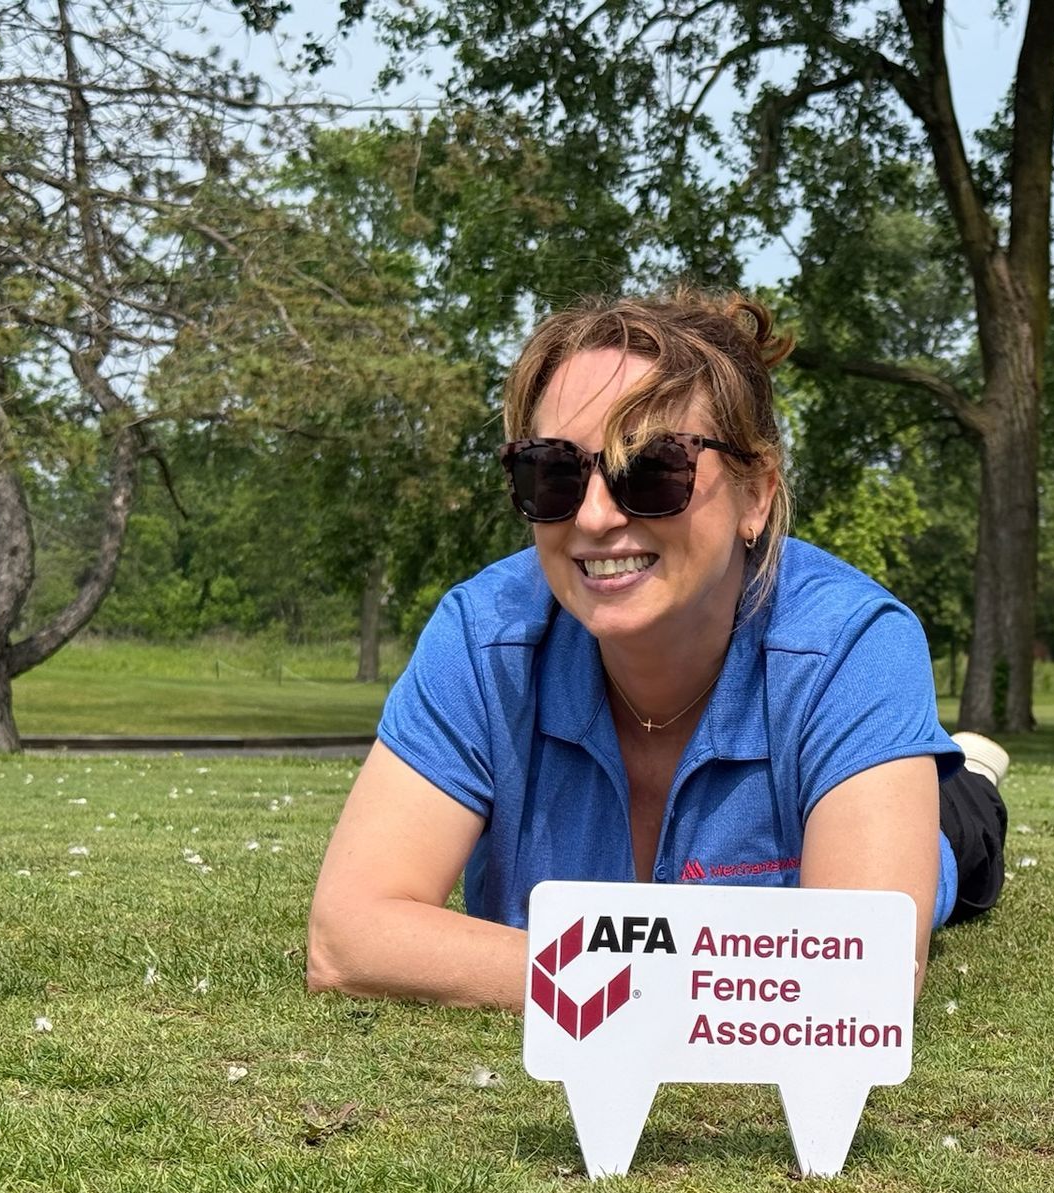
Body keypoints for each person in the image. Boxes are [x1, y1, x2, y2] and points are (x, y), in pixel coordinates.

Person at [307, 289, 1008, 1010]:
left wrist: (586, 978)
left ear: (757, 495)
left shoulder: (855, 644)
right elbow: (346, 938)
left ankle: (970, 775)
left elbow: (862, 972)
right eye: (554, 472)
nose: (594, 517)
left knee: (958, 829)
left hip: (930, 814)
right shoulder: (482, 636)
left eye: (652, 469)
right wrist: (667, 982)